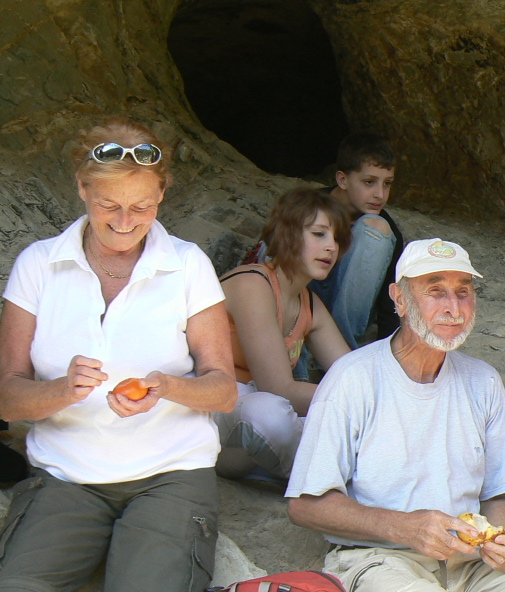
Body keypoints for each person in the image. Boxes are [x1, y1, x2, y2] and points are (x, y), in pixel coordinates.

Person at [0, 117, 237, 592]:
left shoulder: (188, 264)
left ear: (161, 196)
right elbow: (7, 398)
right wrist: (61, 391)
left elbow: (224, 390)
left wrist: (167, 388)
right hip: (66, 476)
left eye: (142, 206)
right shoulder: (38, 265)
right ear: (82, 188)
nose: (126, 221)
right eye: (109, 204)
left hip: (170, 475)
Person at [286, 239, 505, 592]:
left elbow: (498, 497)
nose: (454, 308)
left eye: (463, 292)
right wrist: (403, 527)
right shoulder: (352, 378)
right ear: (399, 299)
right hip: (382, 558)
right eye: (435, 291)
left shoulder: (483, 381)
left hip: (472, 562)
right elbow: (305, 506)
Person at [214, 187, 351, 481]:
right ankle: (328, 482)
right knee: (273, 414)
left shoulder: (310, 303)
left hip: (250, 434)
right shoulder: (253, 283)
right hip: (209, 411)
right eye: (319, 234)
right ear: (288, 233)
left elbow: (353, 375)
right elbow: (278, 388)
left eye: (337, 239)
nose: (331, 247)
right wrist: (355, 407)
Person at [244, 132, 402, 351]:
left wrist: (391, 349)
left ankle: (340, 348)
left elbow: (389, 298)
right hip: (297, 301)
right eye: (369, 182)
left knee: (376, 229)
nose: (380, 194)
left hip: (344, 318)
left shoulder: (384, 228)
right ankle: (288, 343)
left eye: (387, 184)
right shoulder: (311, 205)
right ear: (342, 180)